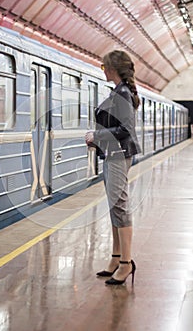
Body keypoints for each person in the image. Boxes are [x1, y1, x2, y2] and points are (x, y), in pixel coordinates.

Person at [85, 50, 141, 285]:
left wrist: (96, 135)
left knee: (120, 207)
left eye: (104, 66)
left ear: (114, 68)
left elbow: (126, 130)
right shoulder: (119, 92)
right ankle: (116, 258)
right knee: (114, 207)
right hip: (113, 154)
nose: (103, 70)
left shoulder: (123, 93)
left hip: (119, 155)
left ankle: (126, 263)